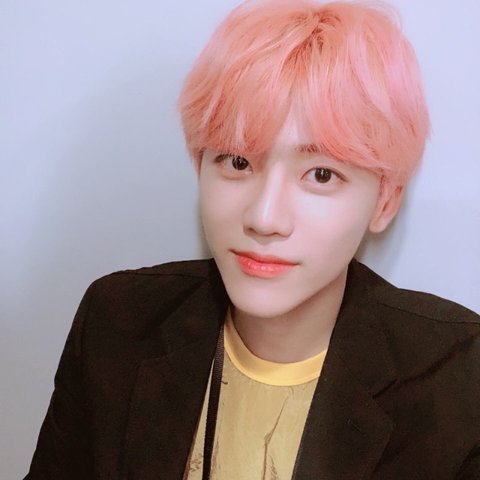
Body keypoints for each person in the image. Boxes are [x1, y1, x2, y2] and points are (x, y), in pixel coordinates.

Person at [26, 0, 479, 479]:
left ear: (385, 201)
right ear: (200, 167)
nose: (264, 218)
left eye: (321, 174)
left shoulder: (458, 375)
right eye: (238, 162)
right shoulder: (116, 324)